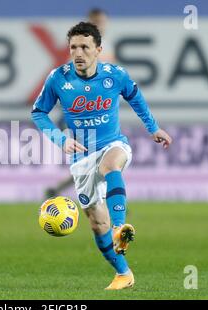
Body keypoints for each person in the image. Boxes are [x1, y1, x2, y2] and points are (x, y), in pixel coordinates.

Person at [31, 22, 172, 290]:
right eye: (73, 47)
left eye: (85, 47)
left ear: (98, 49)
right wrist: (61, 138)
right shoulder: (57, 78)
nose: (78, 53)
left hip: (112, 144)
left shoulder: (114, 75)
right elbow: (38, 112)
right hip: (81, 158)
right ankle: (123, 274)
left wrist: (153, 128)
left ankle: (120, 227)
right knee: (97, 223)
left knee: (111, 164)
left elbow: (136, 97)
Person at [44, 8, 115, 198]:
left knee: (94, 160)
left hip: (98, 114)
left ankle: (58, 190)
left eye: (103, 21)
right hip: (80, 115)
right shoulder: (81, 48)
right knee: (98, 158)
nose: (102, 25)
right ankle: (108, 199)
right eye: (98, 21)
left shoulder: (106, 46)